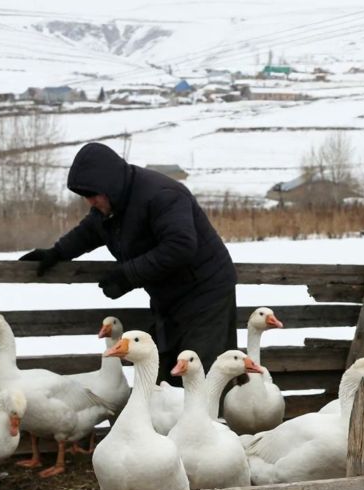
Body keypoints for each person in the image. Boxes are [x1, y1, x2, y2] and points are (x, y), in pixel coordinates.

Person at [20, 143, 238, 384]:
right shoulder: (113, 205)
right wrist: (57, 252)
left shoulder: (162, 195)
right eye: (85, 196)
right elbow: (90, 231)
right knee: (164, 376)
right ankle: (168, 421)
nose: (90, 201)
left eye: (92, 195)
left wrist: (127, 275)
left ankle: (205, 420)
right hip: (170, 297)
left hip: (206, 292)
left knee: (198, 374)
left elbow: (180, 245)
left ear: (109, 184)